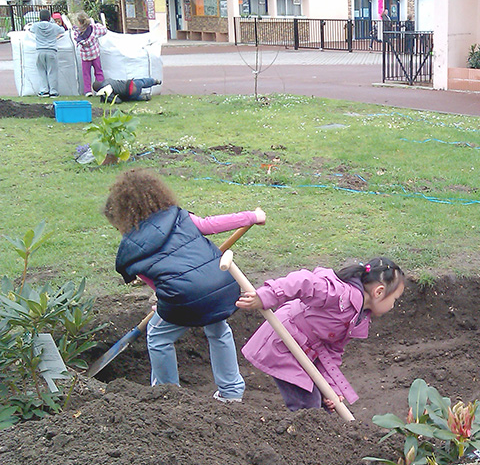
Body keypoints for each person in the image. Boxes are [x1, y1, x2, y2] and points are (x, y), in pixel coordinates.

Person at [103, 169, 265, 403]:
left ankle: (168, 395)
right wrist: (252, 216)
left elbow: (155, 283)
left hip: (184, 297)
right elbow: (212, 224)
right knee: (218, 329)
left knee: (158, 335)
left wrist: (162, 301)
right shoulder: (179, 217)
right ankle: (231, 393)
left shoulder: (131, 251)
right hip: (222, 285)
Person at [236, 258, 405, 411]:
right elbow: (302, 282)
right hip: (283, 341)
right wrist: (265, 296)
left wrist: (331, 389)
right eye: (395, 300)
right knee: (307, 404)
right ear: (379, 292)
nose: (392, 306)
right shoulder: (338, 294)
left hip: (306, 351)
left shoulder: (358, 319)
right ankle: (299, 440)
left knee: (321, 405)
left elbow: (331, 352)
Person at [27, 10, 66, 98]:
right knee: (52, 71)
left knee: (41, 71)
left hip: (40, 50)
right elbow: (62, 30)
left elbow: (30, 30)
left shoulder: (36, 26)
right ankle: (53, 91)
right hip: (51, 50)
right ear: (49, 18)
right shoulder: (54, 26)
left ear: (40, 17)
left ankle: (44, 91)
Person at [72, 13, 107, 96]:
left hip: (85, 56)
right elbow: (104, 30)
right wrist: (97, 24)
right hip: (95, 54)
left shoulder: (77, 32)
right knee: (98, 72)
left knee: (86, 74)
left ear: (79, 23)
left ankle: (88, 91)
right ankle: (101, 89)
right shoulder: (94, 29)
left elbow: (75, 39)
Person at [93, 77, 162, 103]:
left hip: (131, 92)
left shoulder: (105, 91)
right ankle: (154, 81)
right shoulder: (108, 80)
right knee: (142, 81)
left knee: (128, 98)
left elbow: (117, 101)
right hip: (131, 83)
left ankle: (144, 97)